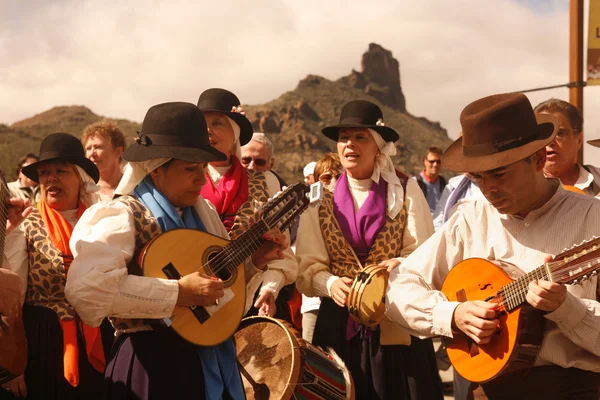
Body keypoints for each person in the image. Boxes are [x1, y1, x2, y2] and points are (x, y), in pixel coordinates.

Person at [64, 102, 288, 400]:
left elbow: (220, 304)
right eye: (189, 169)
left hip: (205, 366)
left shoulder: (204, 212)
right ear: (157, 170)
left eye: (202, 168)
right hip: (149, 367)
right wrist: (176, 292)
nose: (201, 178)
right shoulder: (121, 214)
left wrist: (253, 264)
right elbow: (87, 292)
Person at [386, 93, 600, 399]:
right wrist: (453, 314)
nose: (488, 189)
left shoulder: (592, 218)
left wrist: (568, 309)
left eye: (500, 173)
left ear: (538, 160)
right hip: (486, 391)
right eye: (477, 177)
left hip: (571, 389)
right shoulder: (470, 218)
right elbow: (399, 285)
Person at [296, 100, 443, 399]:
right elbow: (307, 265)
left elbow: (425, 254)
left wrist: (398, 266)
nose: (349, 144)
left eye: (360, 137)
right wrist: (331, 283)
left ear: (378, 146)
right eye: (343, 137)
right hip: (337, 323)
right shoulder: (319, 199)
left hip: (395, 318)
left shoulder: (405, 189)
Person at [1, 133, 110, 400]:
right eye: (44, 172)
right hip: (44, 341)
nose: (51, 178)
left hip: (98, 335)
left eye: (61, 171)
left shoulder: (102, 220)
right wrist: (15, 365)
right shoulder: (26, 224)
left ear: (80, 177)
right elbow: (14, 298)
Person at [197, 88, 297, 318]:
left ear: (235, 134)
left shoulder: (264, 182)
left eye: (218, 122)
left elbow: (281, 254)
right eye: (202, 123)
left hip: (245, 298)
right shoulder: (182, 175)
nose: (208, 130)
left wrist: (270, 289)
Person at [300, 152, 343, 342]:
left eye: (339, 176)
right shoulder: (310, 211)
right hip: (314, 302)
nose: (333, 182)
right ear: (317, 182)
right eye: (326, 178)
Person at [534, 98, 600, 197]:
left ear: (579, 140)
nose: (550, 142)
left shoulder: (598, 178)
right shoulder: (518, 189)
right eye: (542, 134)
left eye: (560, 133)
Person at [81, 120, 126, 201]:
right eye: (88, 148)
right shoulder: (82, 191)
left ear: (118, 152)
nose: (92, 153)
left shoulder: (133, 187)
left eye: (98, 147)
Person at [415, 146, 447, 214]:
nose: (435, 165)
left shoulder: (443, 183)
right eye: (432, 161)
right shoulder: (415, 182)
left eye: (438, 161)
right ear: (425, 161)